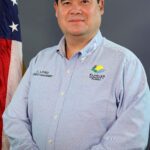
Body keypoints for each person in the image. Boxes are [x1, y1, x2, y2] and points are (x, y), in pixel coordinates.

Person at [2, 0, 150, 149]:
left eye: (84, 2)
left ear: (101, 6)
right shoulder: (40, 61)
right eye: (67, 3)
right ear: (57, 9)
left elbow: (132, 135)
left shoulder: (125, 63)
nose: (75, 10)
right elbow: (14, 118)